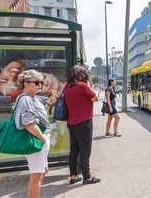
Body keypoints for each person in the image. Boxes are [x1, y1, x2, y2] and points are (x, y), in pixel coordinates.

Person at [15, 69, 56, 198]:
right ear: (25, 84)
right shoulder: (26, 99)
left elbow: (38, 116)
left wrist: (48, 104)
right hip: (36, 140)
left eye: (41, 82)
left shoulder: (32, 98)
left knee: (42, 171)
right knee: (36, 175)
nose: (40, 84)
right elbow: (29, 124)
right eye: (36, 82)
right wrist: (43, 139)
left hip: (38, 140)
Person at [63, 65, 100, 185]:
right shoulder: (82, 86)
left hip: (71, 123)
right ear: (82, 75)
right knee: (85, 150)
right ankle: (87, 177)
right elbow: (95, 98)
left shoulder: (67, 87)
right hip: (84, 122)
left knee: (74, 150)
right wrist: (88, 85)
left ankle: (73, 176)